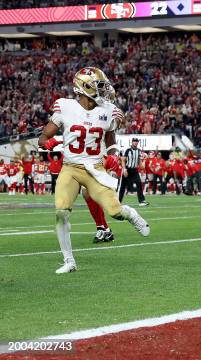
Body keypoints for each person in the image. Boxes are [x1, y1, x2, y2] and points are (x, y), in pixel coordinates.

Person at [38, 67, 150, 274]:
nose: (104, 90)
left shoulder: (109, 110)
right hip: (70, 168)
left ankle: (132, 215)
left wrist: (114, 156)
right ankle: (69, 261)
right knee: (61, 212)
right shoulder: (65, 107)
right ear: (85, 86)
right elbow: (43, 139)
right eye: (99, 85)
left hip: (95, 168)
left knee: (115, 211)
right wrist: (49, 142)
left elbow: (111, 141)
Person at [119, 138, 149, 206]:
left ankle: (141, 201)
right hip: (127, 169)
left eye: (136, 141)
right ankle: (118, 202)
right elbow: (123, 160)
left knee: (139, 184)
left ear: (138, 143)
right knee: (122, 187)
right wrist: (124, 169)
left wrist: (144, 161)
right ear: (132, 142)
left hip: (134, 170)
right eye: (134, 141)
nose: (135, 143)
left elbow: (140, 164)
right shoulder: (128, 150)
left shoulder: (139, 151)